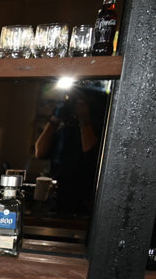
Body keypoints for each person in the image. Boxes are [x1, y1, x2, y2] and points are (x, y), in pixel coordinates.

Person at [34, 83, 107, 216]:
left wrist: (84, 121)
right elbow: (40, 152)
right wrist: (54, 121)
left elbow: (91, 154)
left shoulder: (100, 128)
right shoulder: (65, 130)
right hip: (57, 197)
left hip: (84, 200)